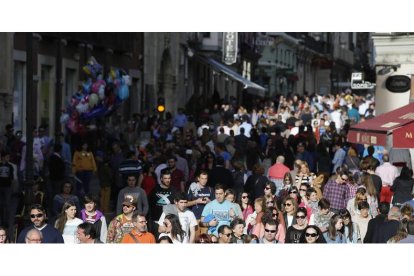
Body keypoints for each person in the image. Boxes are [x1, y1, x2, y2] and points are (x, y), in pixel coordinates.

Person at [148, 168, 178, 233]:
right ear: (161, 179)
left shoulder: (174, 190)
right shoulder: (155, 190)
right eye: (165, 178)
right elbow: (150, 205)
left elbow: (177, 205)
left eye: (169, 178)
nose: (168, 180)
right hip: (156, 221)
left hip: (170, 222)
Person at [186, 170, 214, 235]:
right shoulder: (193, 189)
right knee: (195, 240)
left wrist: (209, 201)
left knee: (206, 240)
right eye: (202, 178)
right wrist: (196, 201)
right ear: (198, 178)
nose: (204, 180)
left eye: (205, 178)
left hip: (206, 219)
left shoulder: (210, 189)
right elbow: (186, 203)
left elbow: (215, 205)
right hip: (195, 218)